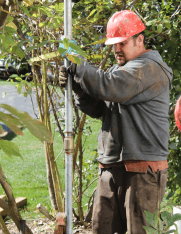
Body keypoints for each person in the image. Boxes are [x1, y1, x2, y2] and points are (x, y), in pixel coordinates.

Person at [59, 10, 173, 234]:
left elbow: (111, 87)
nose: (116, 49)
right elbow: (102, 108)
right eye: (113, 44)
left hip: (142, 172)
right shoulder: (119, 71)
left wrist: (78, 62)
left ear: (140, 39)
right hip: (112, 168)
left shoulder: (150, 69)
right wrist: (80, 90)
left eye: (122, 43)